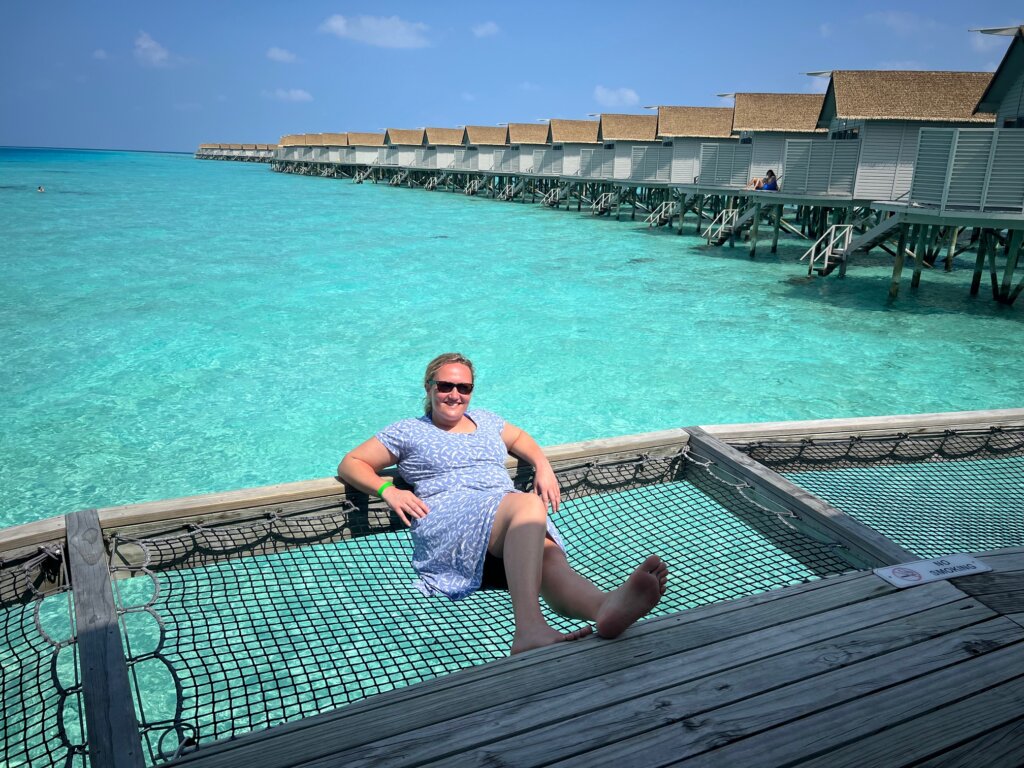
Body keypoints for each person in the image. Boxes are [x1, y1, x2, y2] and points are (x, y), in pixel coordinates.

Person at [338, 352, 668, 655]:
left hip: (502, 517)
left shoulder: (487, 421)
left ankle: (604, 608)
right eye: (445, 385)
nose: (455, 394)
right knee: (527, 506)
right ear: (429, 387)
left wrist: (542, 465)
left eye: (463, 387)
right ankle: (528, 629)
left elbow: (520, 438)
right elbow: (352, 463)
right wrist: (388, 490)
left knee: (549, 559)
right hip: (451, 518)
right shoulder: (408, 431)